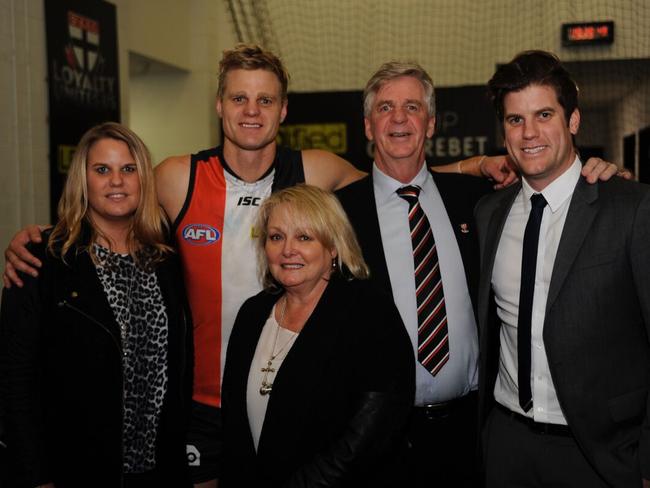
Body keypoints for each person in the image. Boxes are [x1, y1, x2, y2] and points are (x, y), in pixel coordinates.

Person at [1, 44, 614, 487]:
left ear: (283, 110)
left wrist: (494, 167)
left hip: (398, 419)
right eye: (239, 98)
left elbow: (404, 179)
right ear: (219, 104)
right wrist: (47, 240)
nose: (250, 110)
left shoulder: (323, 176)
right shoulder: (178, 177)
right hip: (201, 411)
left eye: (264, 99)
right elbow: (119, 212)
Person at [336, 60, 627, 487]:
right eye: (385, 108)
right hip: (374, 438)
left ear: (431, 124)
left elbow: (555, 186)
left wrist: (605, 177)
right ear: (367, 125)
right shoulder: (337, 213)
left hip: (471, 433)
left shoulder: (478, 201)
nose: (399, 119)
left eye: (412, 107)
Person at [475, 50, 650, 487]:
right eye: (515, 119)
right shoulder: (488, 212)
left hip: (601, 452)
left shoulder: (630, 207)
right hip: (507, 442)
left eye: (544, 114)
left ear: (573, 121)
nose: (529, 132)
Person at [0, 122, 192, 487]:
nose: (116, 181)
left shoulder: (166, 259)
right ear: (82, 180)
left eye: (128, 169)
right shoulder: (41, 260)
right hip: (76, 469)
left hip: (159, 470)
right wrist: (34, 474)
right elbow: (15, 377)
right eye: (101, 170)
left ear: (143, 180)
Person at [221, 184, 414, 487]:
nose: (287, 250)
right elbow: (234, 428)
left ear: (333, 247)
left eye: (304, 237)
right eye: (276, 237)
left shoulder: (368, 311)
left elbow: (370, 433)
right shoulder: (252, 314)